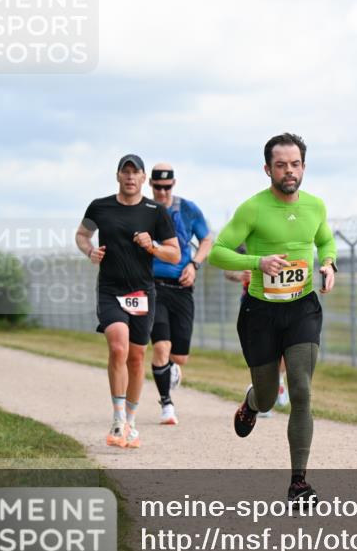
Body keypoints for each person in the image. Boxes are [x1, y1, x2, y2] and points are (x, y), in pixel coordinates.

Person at [209, 133, 336, 503]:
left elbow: (325, 241)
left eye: (295, 164)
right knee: (267, 397)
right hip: (260, 312)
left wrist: (329, 264)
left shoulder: (315, 206)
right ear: (268, 169)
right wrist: (257, 262)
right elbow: (218, 253)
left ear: (304, 167)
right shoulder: (253, 208)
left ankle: (299, 482)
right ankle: (251, 403)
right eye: (281, 165)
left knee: (301, 389)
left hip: (302, 308)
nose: (289, 171)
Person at [76, 154, 181, 448]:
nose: (130, 177)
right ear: (118, 176)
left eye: (136, 173)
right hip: (110, 289)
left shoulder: (155, 211)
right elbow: (82, 235)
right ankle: (118, 418)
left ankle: (131, 422)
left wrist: (153, 246)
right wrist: (89, 252)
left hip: (143, 293)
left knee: (136, 358)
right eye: (126, 172)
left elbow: (174, 254)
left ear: (144, 178)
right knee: (118, 345)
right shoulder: (100, 206)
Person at [148, 163, 214, 426]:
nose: (162, 192)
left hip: (182, 286)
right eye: (157, 187)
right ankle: (166, 404)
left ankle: (170, 371)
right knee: (161, 346)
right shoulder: (144, 210)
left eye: (166, 187)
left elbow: (206, 239)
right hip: (152, 286)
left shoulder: (187, 208)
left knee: (180, 356)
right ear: (150, 185)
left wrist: (194, 264)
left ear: (173, 184)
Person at [224, 244, 289, 416]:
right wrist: (241, 275)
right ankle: (264, 397)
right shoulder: (244, 242)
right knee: (264, 350)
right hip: (254, 301)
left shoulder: (283, 236)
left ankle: (277, 381)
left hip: (283, 298)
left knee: (288, 347)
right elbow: (227, 270)